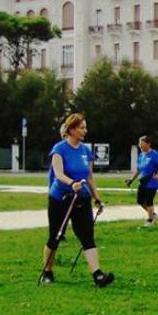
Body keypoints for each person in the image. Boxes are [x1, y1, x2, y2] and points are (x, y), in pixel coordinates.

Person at [39, 113, 114, 287]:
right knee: (55, 237)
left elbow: (89, 176)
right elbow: (58, 174)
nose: (85, 131)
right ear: (72, 130)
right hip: (61, 198)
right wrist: (71, 183)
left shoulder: (85, 150)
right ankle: (47, 271)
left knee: (87, 237)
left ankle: (98, 275)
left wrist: (97, 198)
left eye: (85, 127)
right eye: (82, 128)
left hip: (82, 198)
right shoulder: (59, 149)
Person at [125, 136, 158, 226]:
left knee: (148, 201)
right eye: (139, 144)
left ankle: (150, 220)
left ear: (148, 144)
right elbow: (139, 169)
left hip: (152, 181)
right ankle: (153, 214)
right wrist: (131, 179)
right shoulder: (141, 155)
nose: (140, 146)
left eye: (142, 144)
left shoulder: (155, 154)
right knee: (140, 201)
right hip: (143, 181)